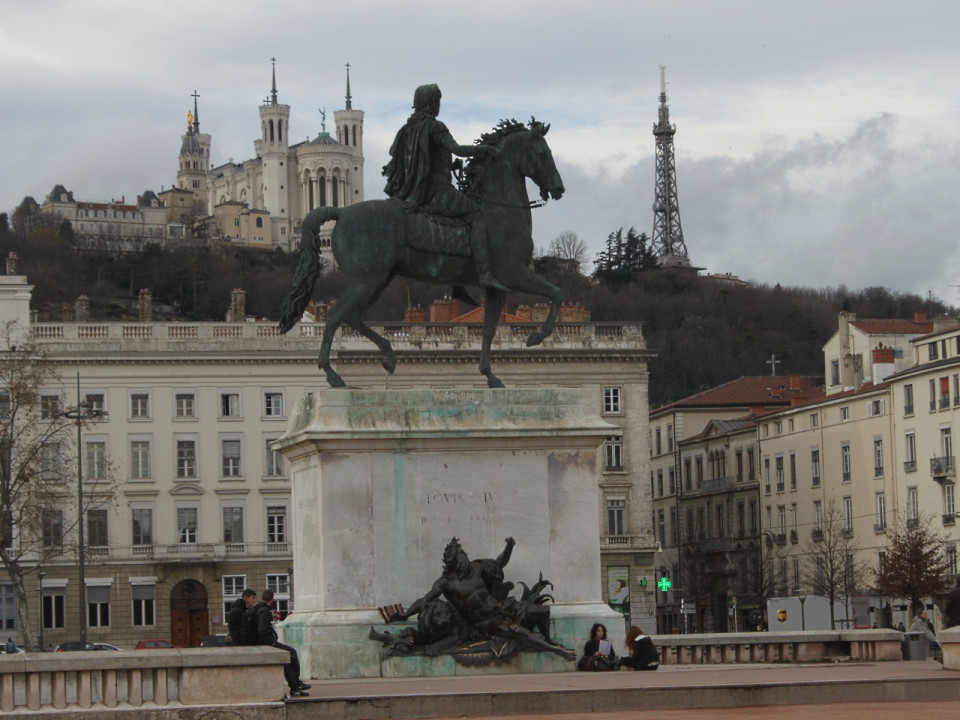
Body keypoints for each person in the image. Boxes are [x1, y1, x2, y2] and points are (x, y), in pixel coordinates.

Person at [382, 83, 507, 292]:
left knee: (456, 220)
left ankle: (457, 282)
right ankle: (484, 273)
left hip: (415, 190)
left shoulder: (407, 129)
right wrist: (484, 149)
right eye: (437, 101)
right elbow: (457, 149)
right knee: (476, 215)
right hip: (437, 191)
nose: (439, 105)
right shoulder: (434, 126)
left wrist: (449, 166)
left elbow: (423, 160)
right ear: (432, 104)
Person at [252, 588, 310, 697]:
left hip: (261, 643)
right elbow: (262, 629)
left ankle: (295, 685)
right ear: (272, 599)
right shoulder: (264, 611)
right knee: (291, 653)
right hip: (266, 643)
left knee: (288, 655)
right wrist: (271, 642)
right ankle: (296, 684)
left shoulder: (258, 608)